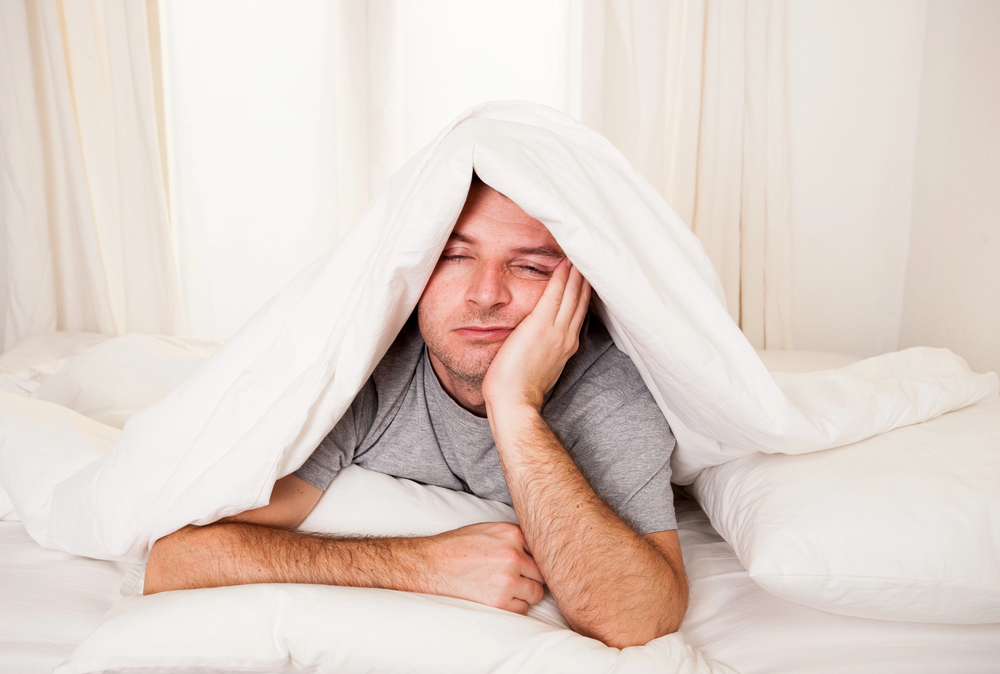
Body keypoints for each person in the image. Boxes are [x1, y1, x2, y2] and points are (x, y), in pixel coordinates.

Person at [145, 176, 688, 648]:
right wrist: (422, 565)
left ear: (577, 291)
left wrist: (515, 406)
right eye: (455, 257)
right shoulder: (366, 369)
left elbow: (636, 622)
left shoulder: (610, 388)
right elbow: (177, 559)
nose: (484, 295)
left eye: (527, 266)